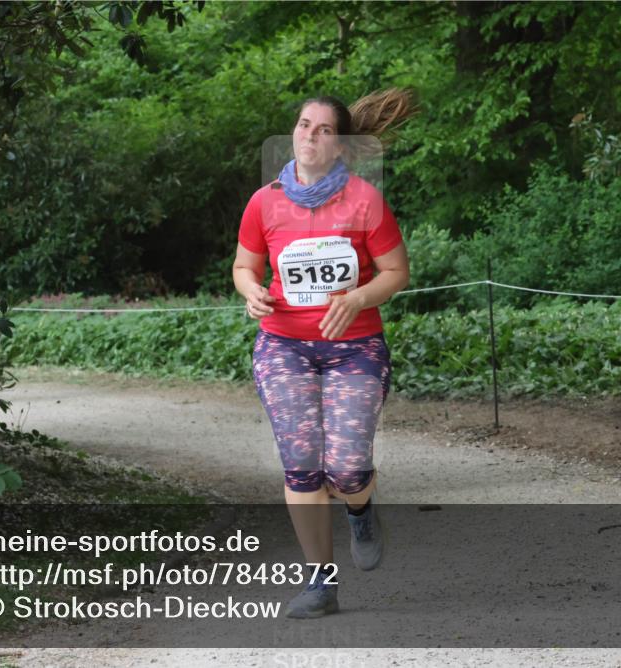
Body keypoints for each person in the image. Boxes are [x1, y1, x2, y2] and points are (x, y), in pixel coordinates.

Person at [232, 89, 415, 618]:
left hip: (354, 348)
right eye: (303, 124)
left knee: (349, 467)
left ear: (340, 146)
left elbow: (397, 273)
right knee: (301, 464)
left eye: (324, 130)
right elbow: (245, 267)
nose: (309, 135)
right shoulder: (263, 201)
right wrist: (251, 291)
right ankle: (321, 584)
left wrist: (356, 297)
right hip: (283, 346)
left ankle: (360, 507)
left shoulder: (365, 201)